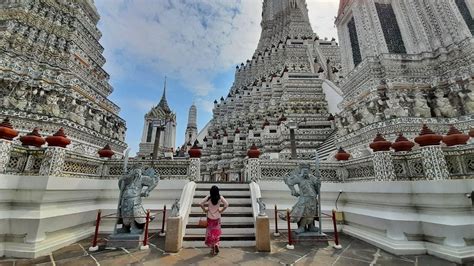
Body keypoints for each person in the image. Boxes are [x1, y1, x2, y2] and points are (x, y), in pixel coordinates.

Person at [199, 185, 229, 255]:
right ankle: (216, 244)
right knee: (216, 232)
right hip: (217, 218)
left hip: (210, 218)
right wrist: (221, 210)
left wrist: (205, 209)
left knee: (210, 233)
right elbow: (227, 204)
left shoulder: (208, 198)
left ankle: (212, 248)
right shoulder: (220, 198)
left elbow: (200, 203)